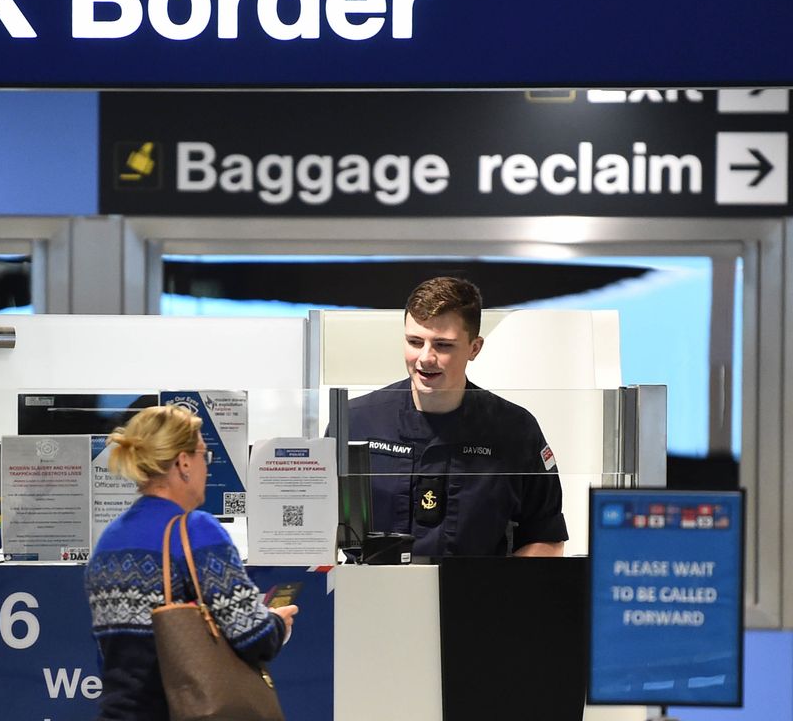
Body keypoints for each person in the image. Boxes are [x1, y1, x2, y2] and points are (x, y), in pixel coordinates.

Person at [84, 405, 298, 720]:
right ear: (184, 462)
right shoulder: (197, 530)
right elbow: (254, 637)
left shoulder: (109, 541)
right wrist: (278, 623)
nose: (206, 468)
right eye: (204, 456)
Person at [347, 276, 568, 557]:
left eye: (443, 345)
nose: (425, 358)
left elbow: (545, 538)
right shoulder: (356, 422)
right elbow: (316, 531)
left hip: (477, 596)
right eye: (415, 342)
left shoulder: (515, 429)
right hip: (372, 596)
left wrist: (504, 595)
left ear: (474, 348)